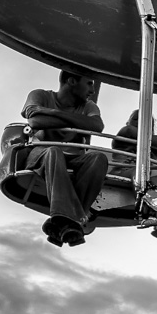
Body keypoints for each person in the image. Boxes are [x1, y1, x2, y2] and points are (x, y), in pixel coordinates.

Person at [20, 70, 107, 247]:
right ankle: (73, 218)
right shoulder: (39, 95)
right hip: (42, 154)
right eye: (89, 83)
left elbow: (97, 125)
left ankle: (64, 224)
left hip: (74, 158)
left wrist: (51, 113)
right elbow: (35, 123)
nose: (92, 90)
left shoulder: (89, 106)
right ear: (72, 81)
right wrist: (76, 121)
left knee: (98, 158)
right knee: (54, 151)